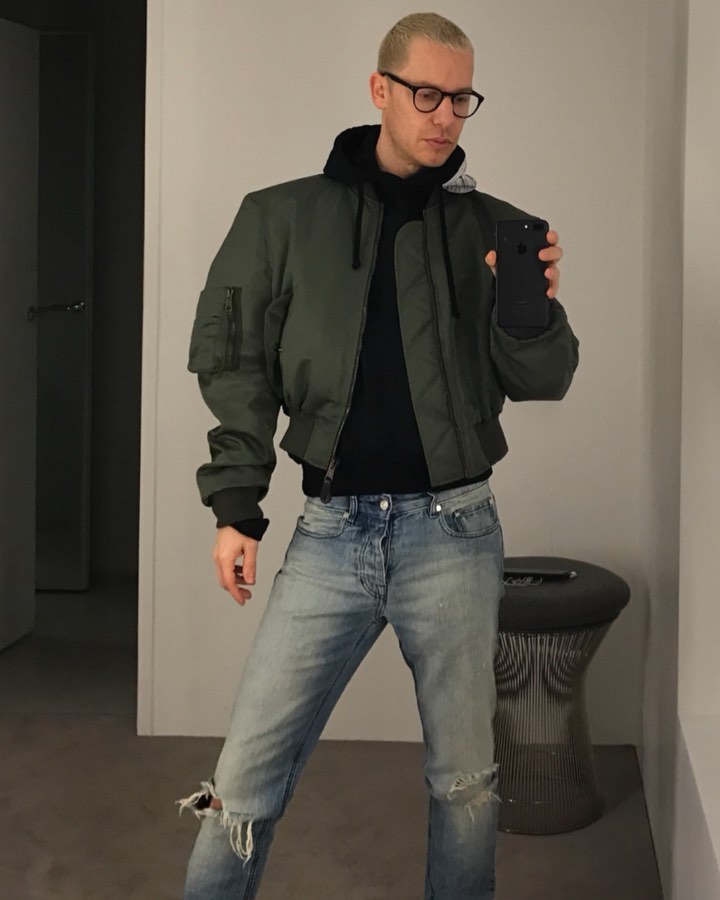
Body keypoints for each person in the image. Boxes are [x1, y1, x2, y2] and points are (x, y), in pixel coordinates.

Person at [177, 11, 579, 899]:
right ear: (380, 90)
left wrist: (535, 312)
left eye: (462, 99)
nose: (445, 116)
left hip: (455, 532)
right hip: (331, 533)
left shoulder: (494, 227)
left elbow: (545, 379)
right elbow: (235, 363)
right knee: (242, 779)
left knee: (465, 785)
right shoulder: (281, 217)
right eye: (426, 94)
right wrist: (236, 504)